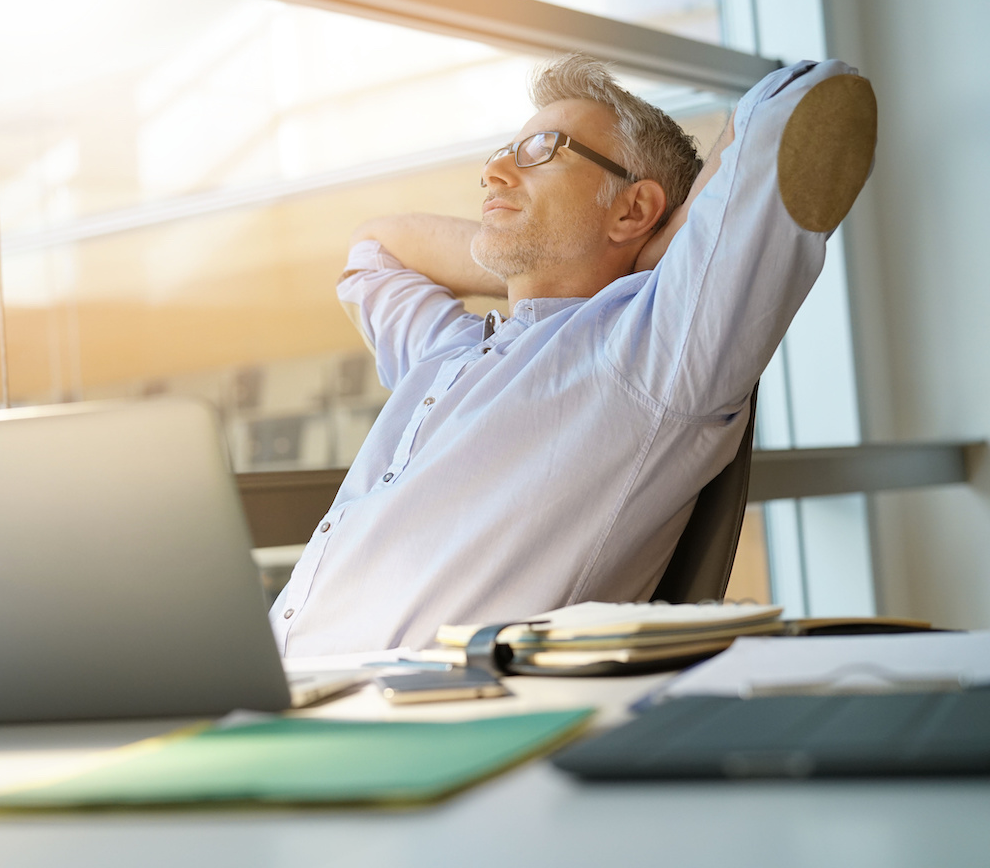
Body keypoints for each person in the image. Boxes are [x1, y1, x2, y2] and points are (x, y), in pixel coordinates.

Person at [271, 53, 873, 656]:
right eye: (501, 155)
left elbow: (806, 101)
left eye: (541, 150)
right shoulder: (447, 350)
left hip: (399, 719)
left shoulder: (647, 350)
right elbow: (374, 249)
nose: (496, 173)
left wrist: (664, 243)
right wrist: (586, 250)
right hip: (268, 685)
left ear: (633, 208)